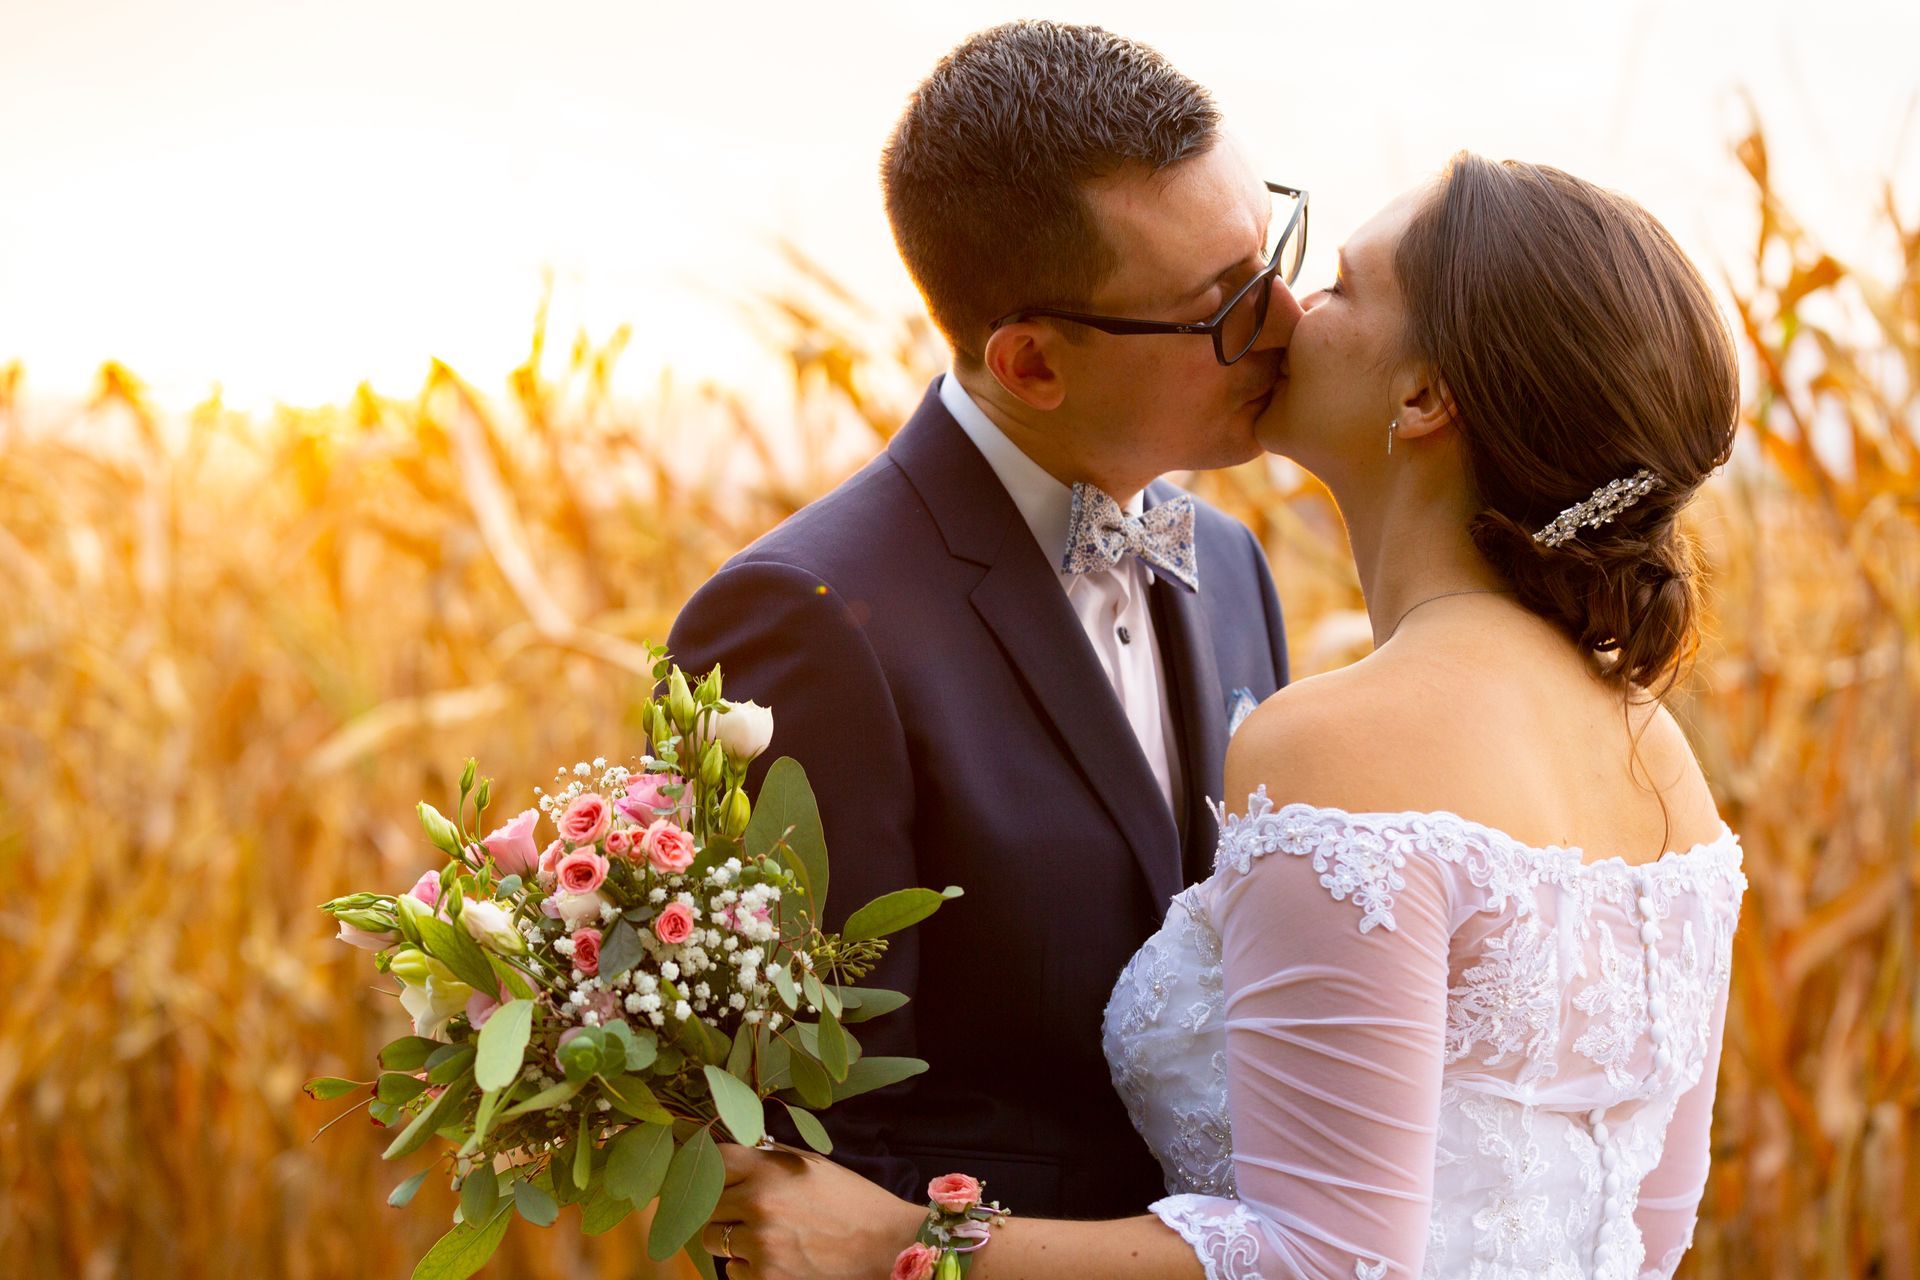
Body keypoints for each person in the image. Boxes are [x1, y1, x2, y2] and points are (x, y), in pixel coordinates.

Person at [702, 152, 1750, 1280]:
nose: (1285, 311)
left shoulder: (1333, 736)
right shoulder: (1659, 765)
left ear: (1422, 398)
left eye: (1339, 283)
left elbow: (1322, 1258)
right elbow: (1650, 1228)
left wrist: (887, 1240)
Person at [667, 20, 1297, 1223]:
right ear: (1032, 364)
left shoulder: (1230, 565)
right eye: (1222, 305)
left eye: (1270, 260)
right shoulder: (804, 624)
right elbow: (811, 1152)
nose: (1285, 321)